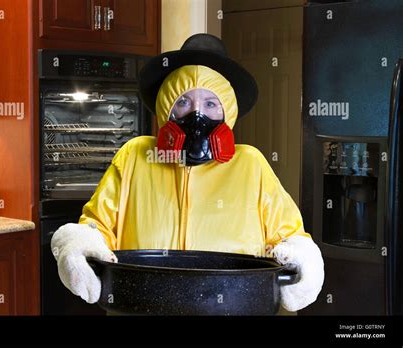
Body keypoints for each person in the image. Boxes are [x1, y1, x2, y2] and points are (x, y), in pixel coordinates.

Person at [51, 34, 324, 313]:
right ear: (166, 109)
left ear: (226, 113)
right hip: (140, 307)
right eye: (183, 101)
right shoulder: (135, 156)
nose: (196, 115)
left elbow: (288, 239)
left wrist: (304, 259)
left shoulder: (251, 165)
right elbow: (97, 228)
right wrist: (79, 244)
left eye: (210, 104)